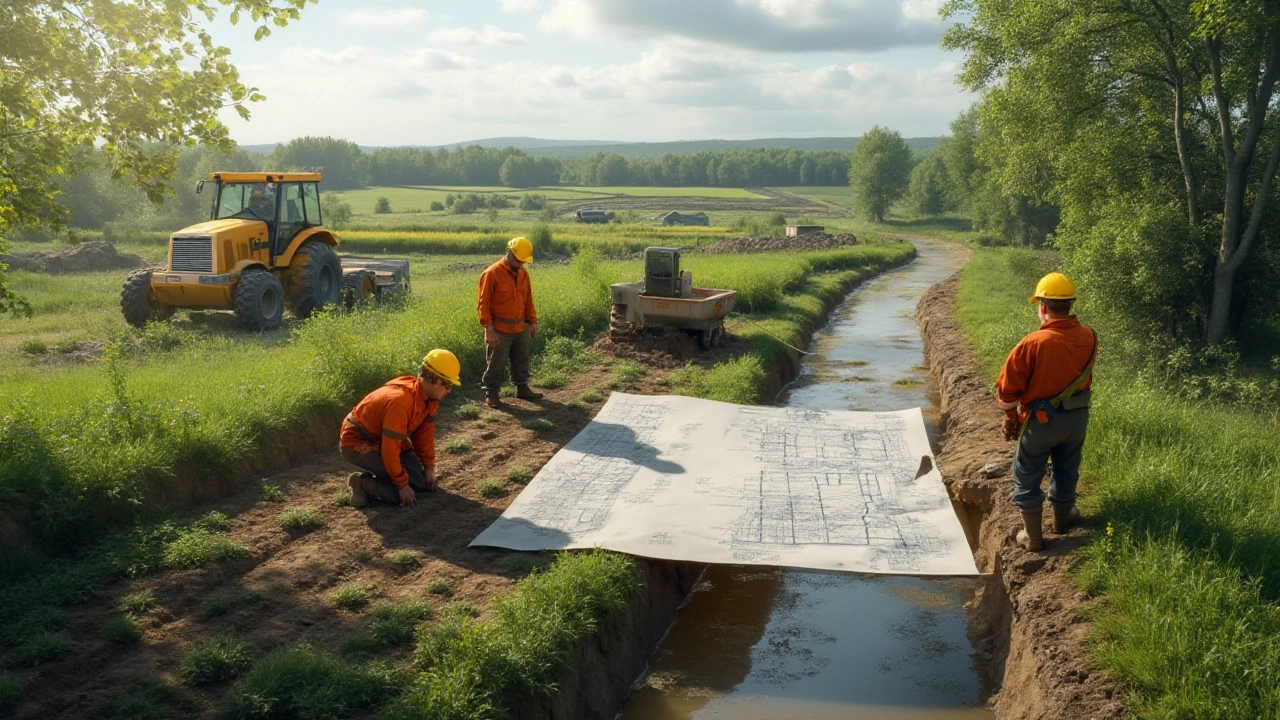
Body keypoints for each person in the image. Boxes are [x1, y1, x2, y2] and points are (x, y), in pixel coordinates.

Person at [996, 272, 1097, 551]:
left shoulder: (1033, 343)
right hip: (1077, 418)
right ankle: (1062, 521)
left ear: (1042, 306)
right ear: (1070, 305)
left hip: (1042, 421)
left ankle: (1033, 537)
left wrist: (1010, 417)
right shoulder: (1089, 336)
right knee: (1067, 468)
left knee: (1027, 474)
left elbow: (1007, 389)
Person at [340, 349, 461, 508]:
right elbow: (390, 449)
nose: (449, 390)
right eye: (448, 385)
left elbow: (424, 435)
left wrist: (429, 467)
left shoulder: (429, 398)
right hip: (358, 443)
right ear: (437, 381)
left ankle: (386, 478)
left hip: (386, 440)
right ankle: (361, 483)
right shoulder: (401, 402)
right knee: (399, 495)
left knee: (420, 483)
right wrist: (402, 485)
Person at [477, 236, 542, 408]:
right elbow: (483, 305)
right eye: (519, 260)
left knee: (522, 359)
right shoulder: (491, 274)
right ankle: (491, 393)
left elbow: (528, 299)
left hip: (520, 327)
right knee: (496, 363)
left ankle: (522, 388)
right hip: (499, 329)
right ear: (510, 253)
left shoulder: (522, 273)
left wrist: (532, 321)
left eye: (523, 261)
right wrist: (488, 329)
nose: (521, 264)